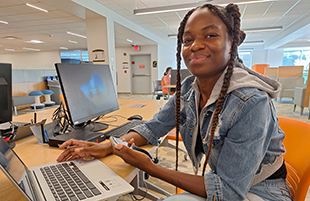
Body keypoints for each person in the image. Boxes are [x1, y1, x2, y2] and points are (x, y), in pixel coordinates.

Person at [57, 3, 292, 201]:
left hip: (263, 190)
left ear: (232, 43)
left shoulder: (251, 101)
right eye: (187, 39)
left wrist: (150, 167)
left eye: (210, 35)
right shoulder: (190, 90)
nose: (195, 45)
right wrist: (107, 145)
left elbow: (227, 192)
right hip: (226, 182)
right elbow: (152, 127)